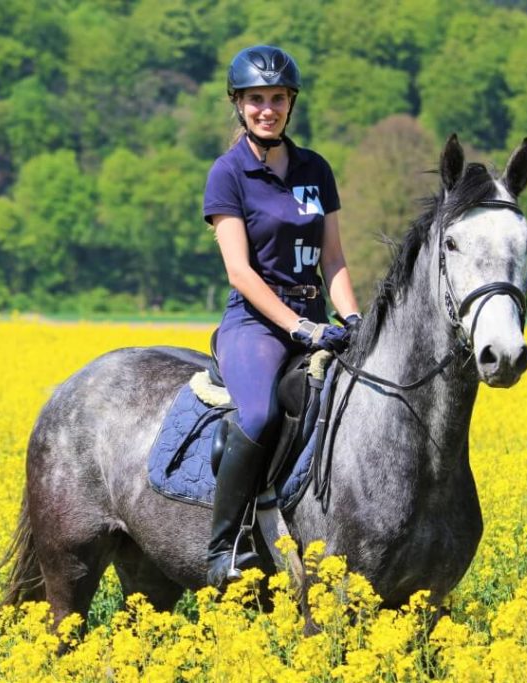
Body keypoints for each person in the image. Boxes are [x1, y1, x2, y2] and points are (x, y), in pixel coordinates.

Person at [203, 45, 362, 588]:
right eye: (255, 100)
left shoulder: (316, 168)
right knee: (259, 417)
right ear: (239, 106)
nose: (266, 109)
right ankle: (224, 547)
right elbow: (240, 273)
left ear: (290, 103)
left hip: (316, 315)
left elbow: (333, 257)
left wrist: (354, 319)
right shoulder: (228, 174)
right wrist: (298, 327)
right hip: (255, 324)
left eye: (276, 98)